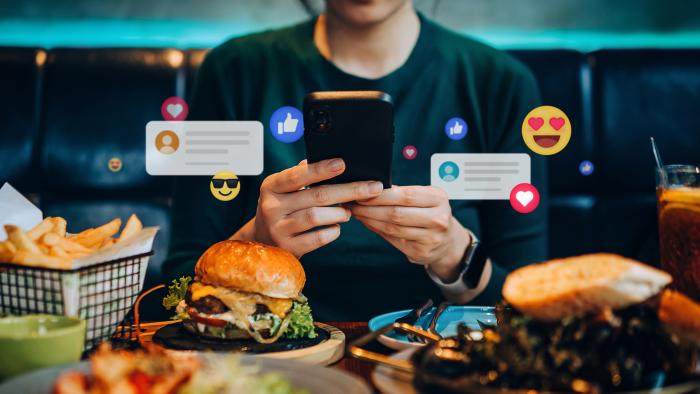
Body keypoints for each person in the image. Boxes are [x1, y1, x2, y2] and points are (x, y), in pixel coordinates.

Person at [164, 0, 548, 321]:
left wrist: (454, 254)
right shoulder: (231, 71)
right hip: (273, 361)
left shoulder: (499, 84)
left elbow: (528, 301)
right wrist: (255, 242)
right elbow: (178, 282)